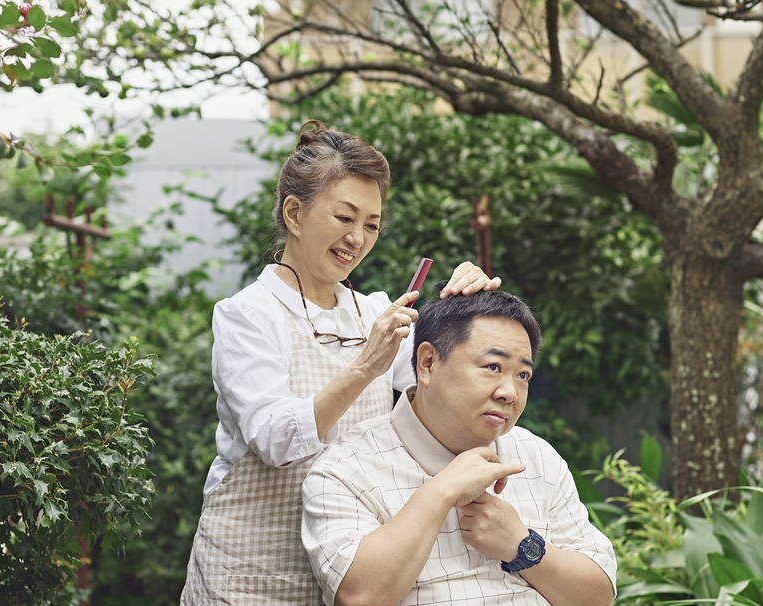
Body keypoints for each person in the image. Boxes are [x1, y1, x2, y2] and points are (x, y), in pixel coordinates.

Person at [180, 121, 501, 605]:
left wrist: (464, 304)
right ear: (294, 213)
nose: (357, 238)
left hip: (349, 565)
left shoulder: (375, 313)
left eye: (371, 224)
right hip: (250, 571)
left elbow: (440, 390)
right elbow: (273, 440)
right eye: (345, 217)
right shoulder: (248, 314)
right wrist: (364, 368)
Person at [302, 288, 617, 606]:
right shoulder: (345, 469)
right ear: (427, 363)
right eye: (493, 367)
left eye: (523, 375)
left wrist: (522, 547)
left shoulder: (536, 458)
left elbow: (599, 598)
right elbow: (359, 598)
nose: (509, 392)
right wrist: (441, 492)